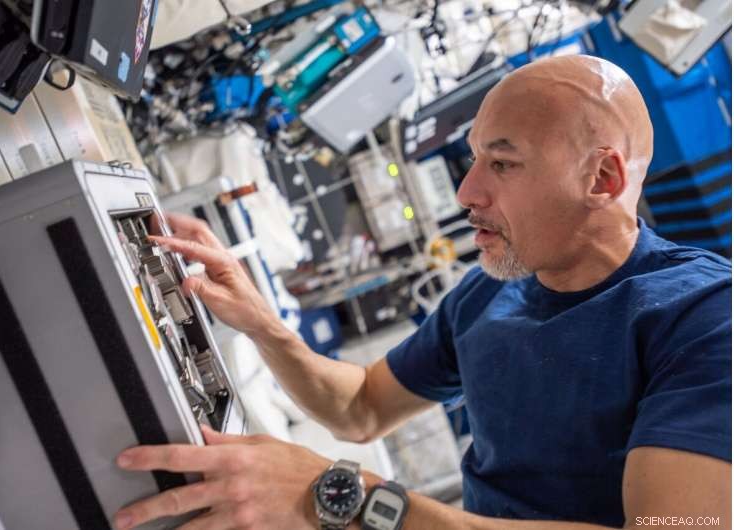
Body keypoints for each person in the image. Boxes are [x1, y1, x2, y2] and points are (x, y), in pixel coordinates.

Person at [112, 54, 731, 530]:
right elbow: (361, 408)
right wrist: (262, 323)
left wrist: (344, 501)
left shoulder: (703, 318)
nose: (467, 194)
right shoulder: (489, 295)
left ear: (602, 177)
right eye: (473, 161)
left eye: (503, 163)